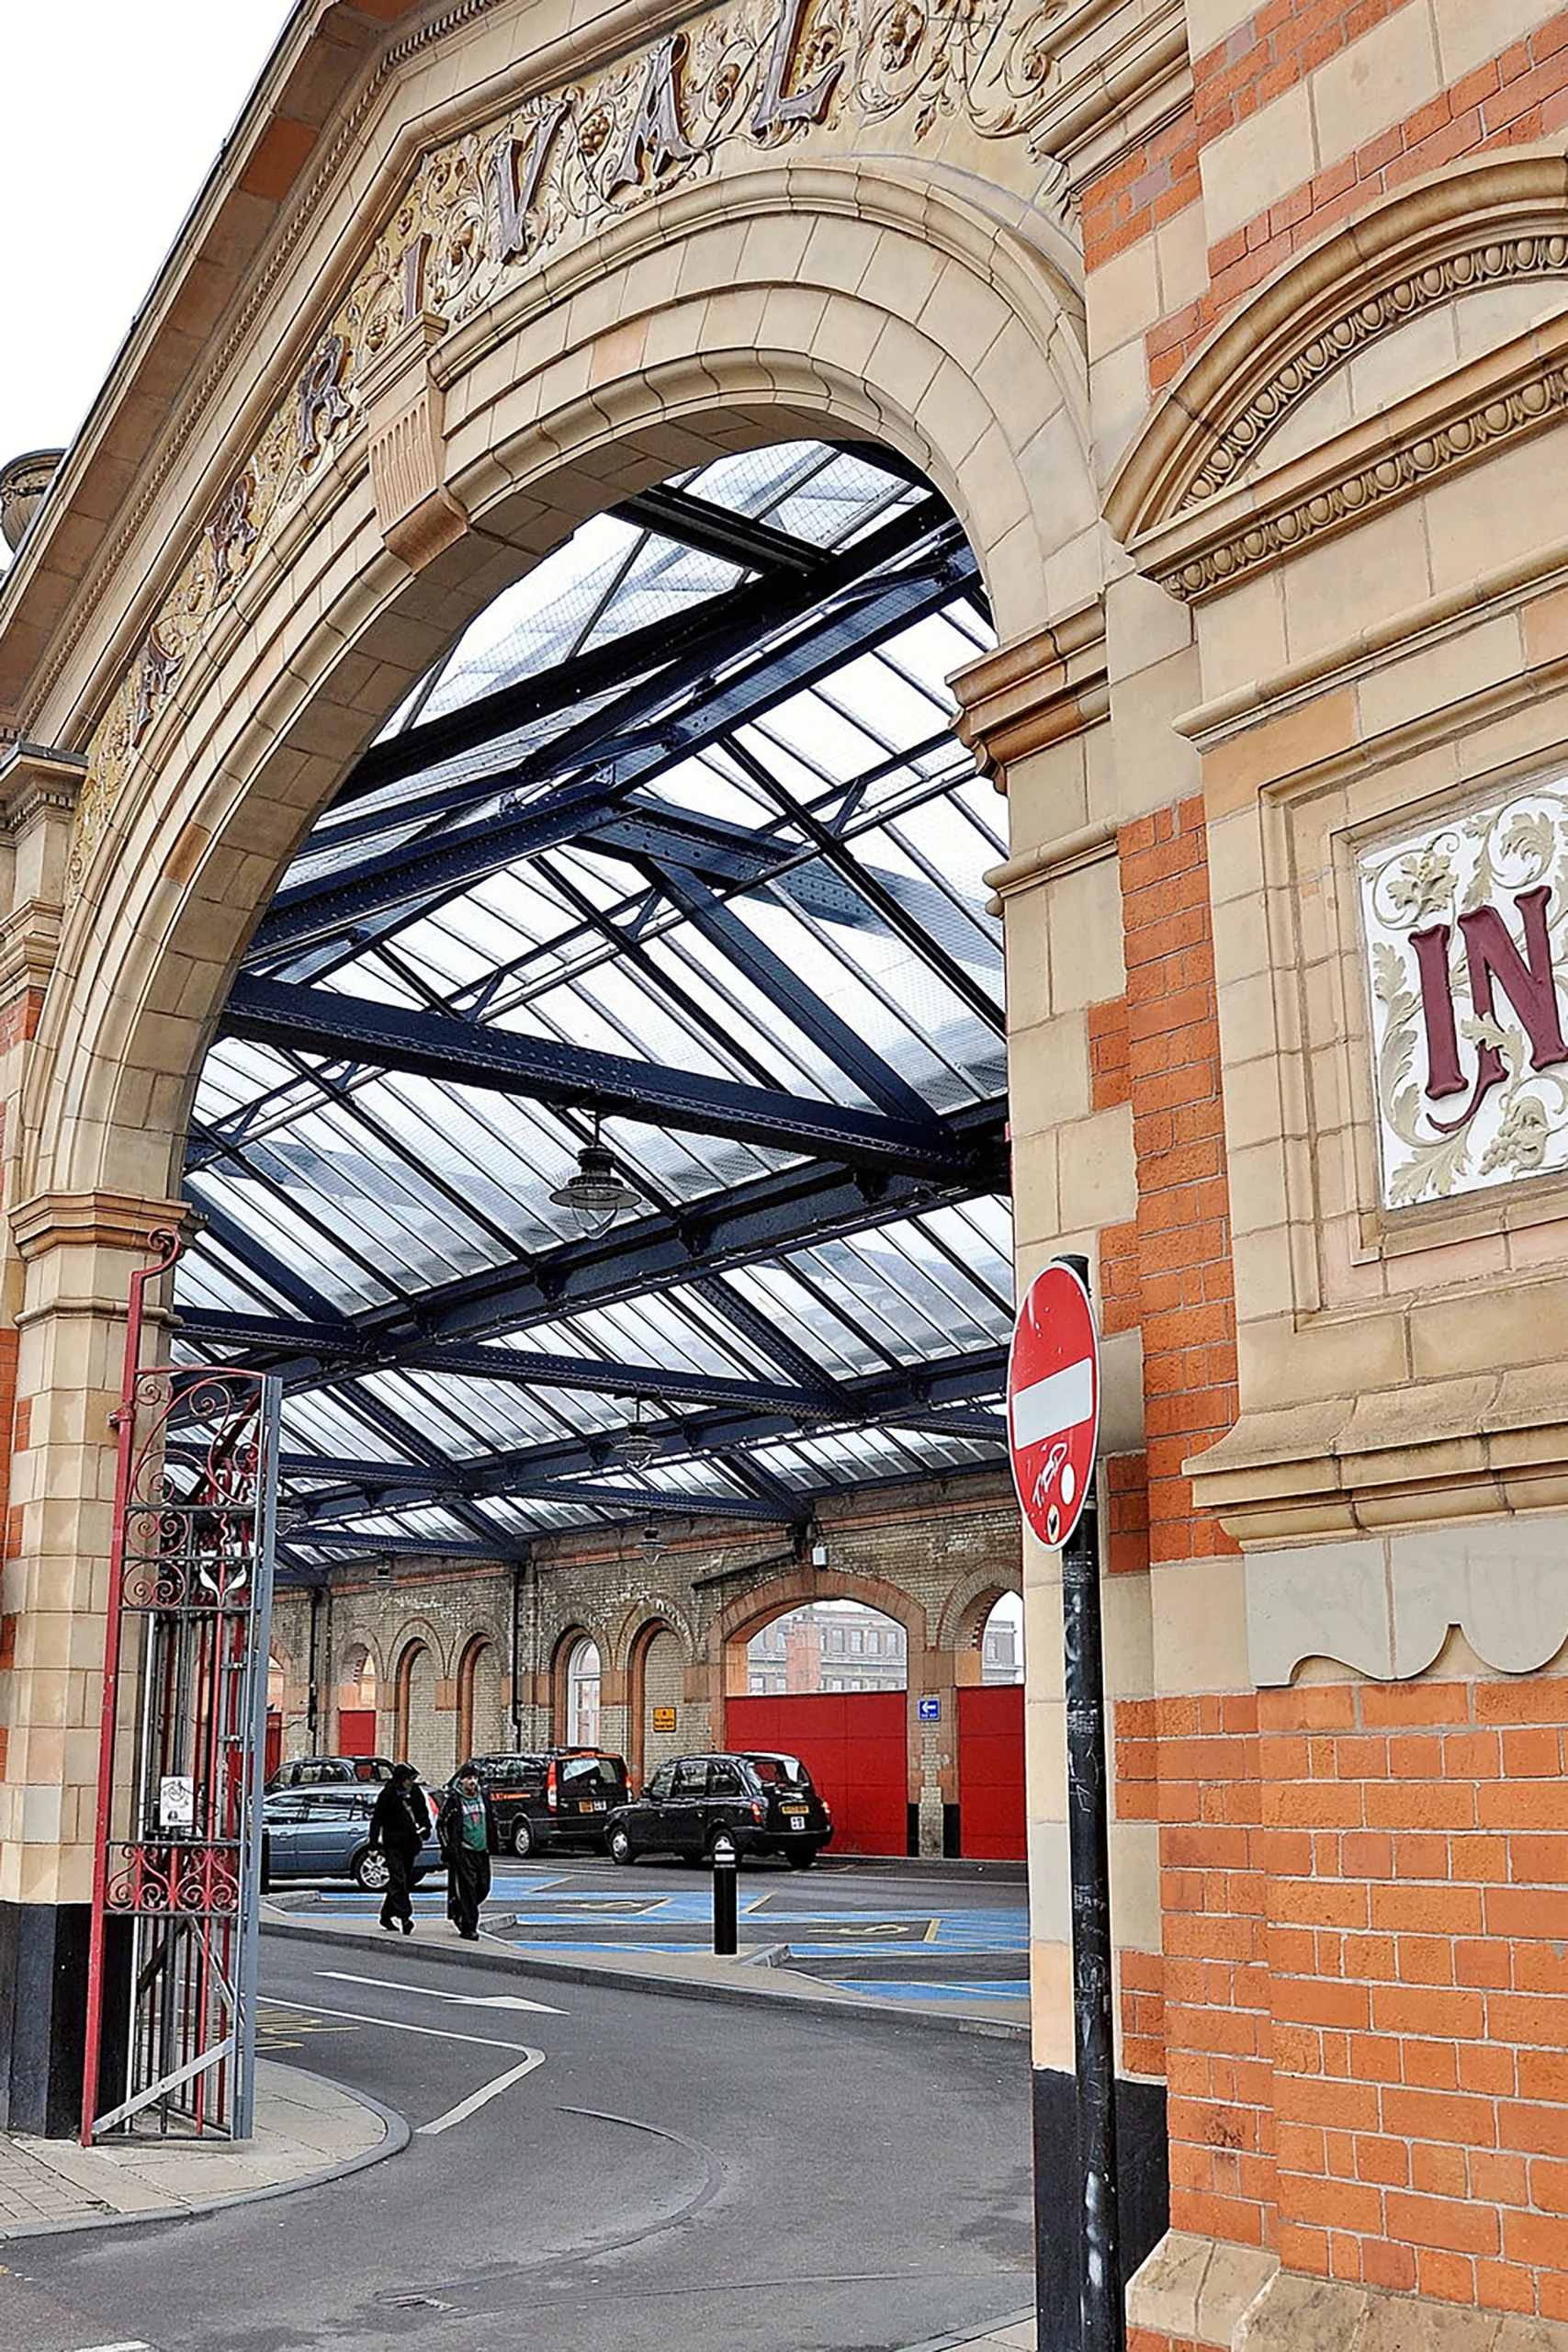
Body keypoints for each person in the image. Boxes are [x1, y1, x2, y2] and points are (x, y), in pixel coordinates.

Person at [367, 1764, 430, 1935]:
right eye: (408, 1779)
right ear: (400, 1780)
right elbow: (377, 1820)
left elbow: (421, 1812)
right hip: (392, 1844)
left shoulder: (416, 1792)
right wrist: (373, 1845)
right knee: (398, 1878)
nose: (411, 1782)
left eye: (412, 1779)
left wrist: (425, 1828)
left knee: (403, 1881)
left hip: (410, 1844)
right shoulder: (388, 1794)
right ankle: (405, 1917)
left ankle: (386, 1915)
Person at [436, 1764, 496, 1940]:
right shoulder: (454, 1799)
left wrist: (494, 1840)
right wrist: (449, 1848)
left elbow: (492, 1818)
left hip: (482, 1851)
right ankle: (468, 1927)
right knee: (468, 1889)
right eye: (469, 1778)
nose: (472, 1782)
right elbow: (442, 1824)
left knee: (483, 1887)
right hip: (464, 1851)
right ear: (461, 1780)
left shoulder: (483, 1796)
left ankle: (459, 1907)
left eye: (475, 1778)